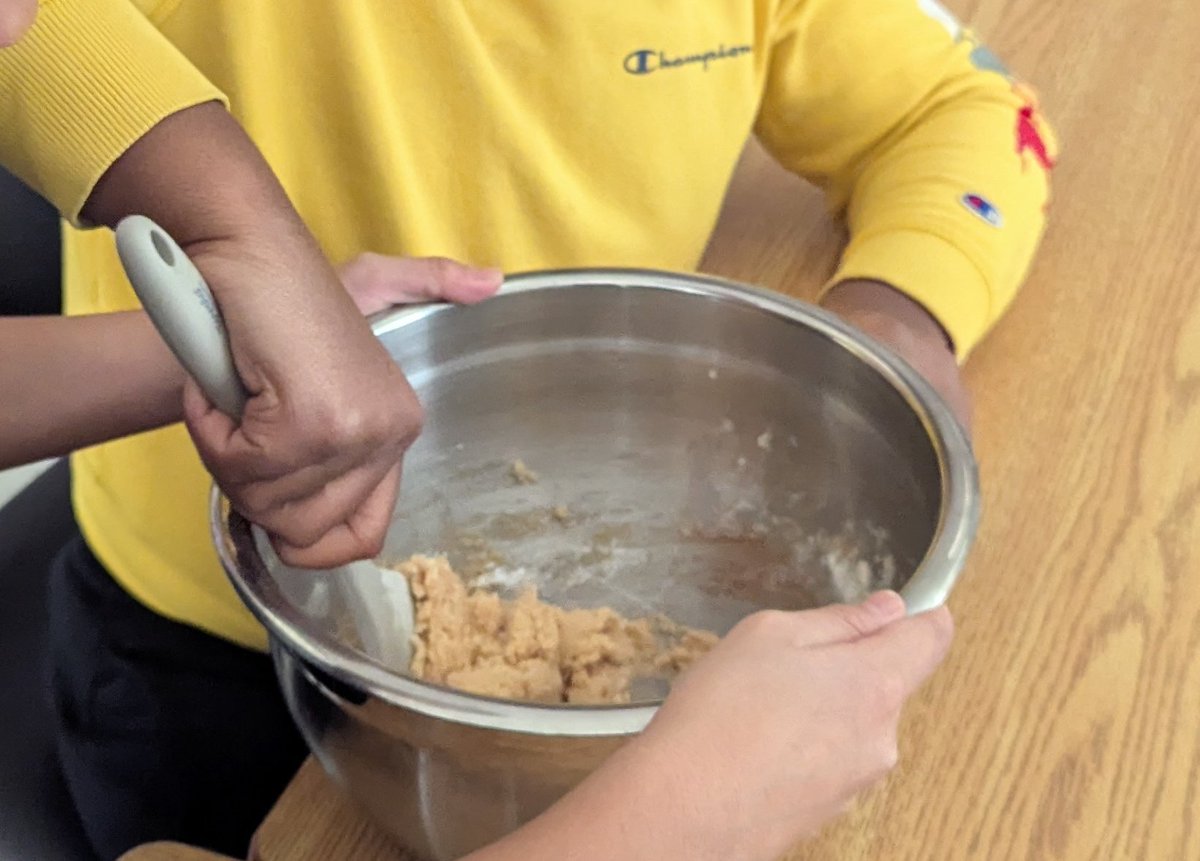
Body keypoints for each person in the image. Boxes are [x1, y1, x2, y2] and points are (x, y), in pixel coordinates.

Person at [0, 0, 1054, 857]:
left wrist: (898, 318)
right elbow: (44, 36)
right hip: (209, 658)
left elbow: (969, 106)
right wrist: (677, 822)